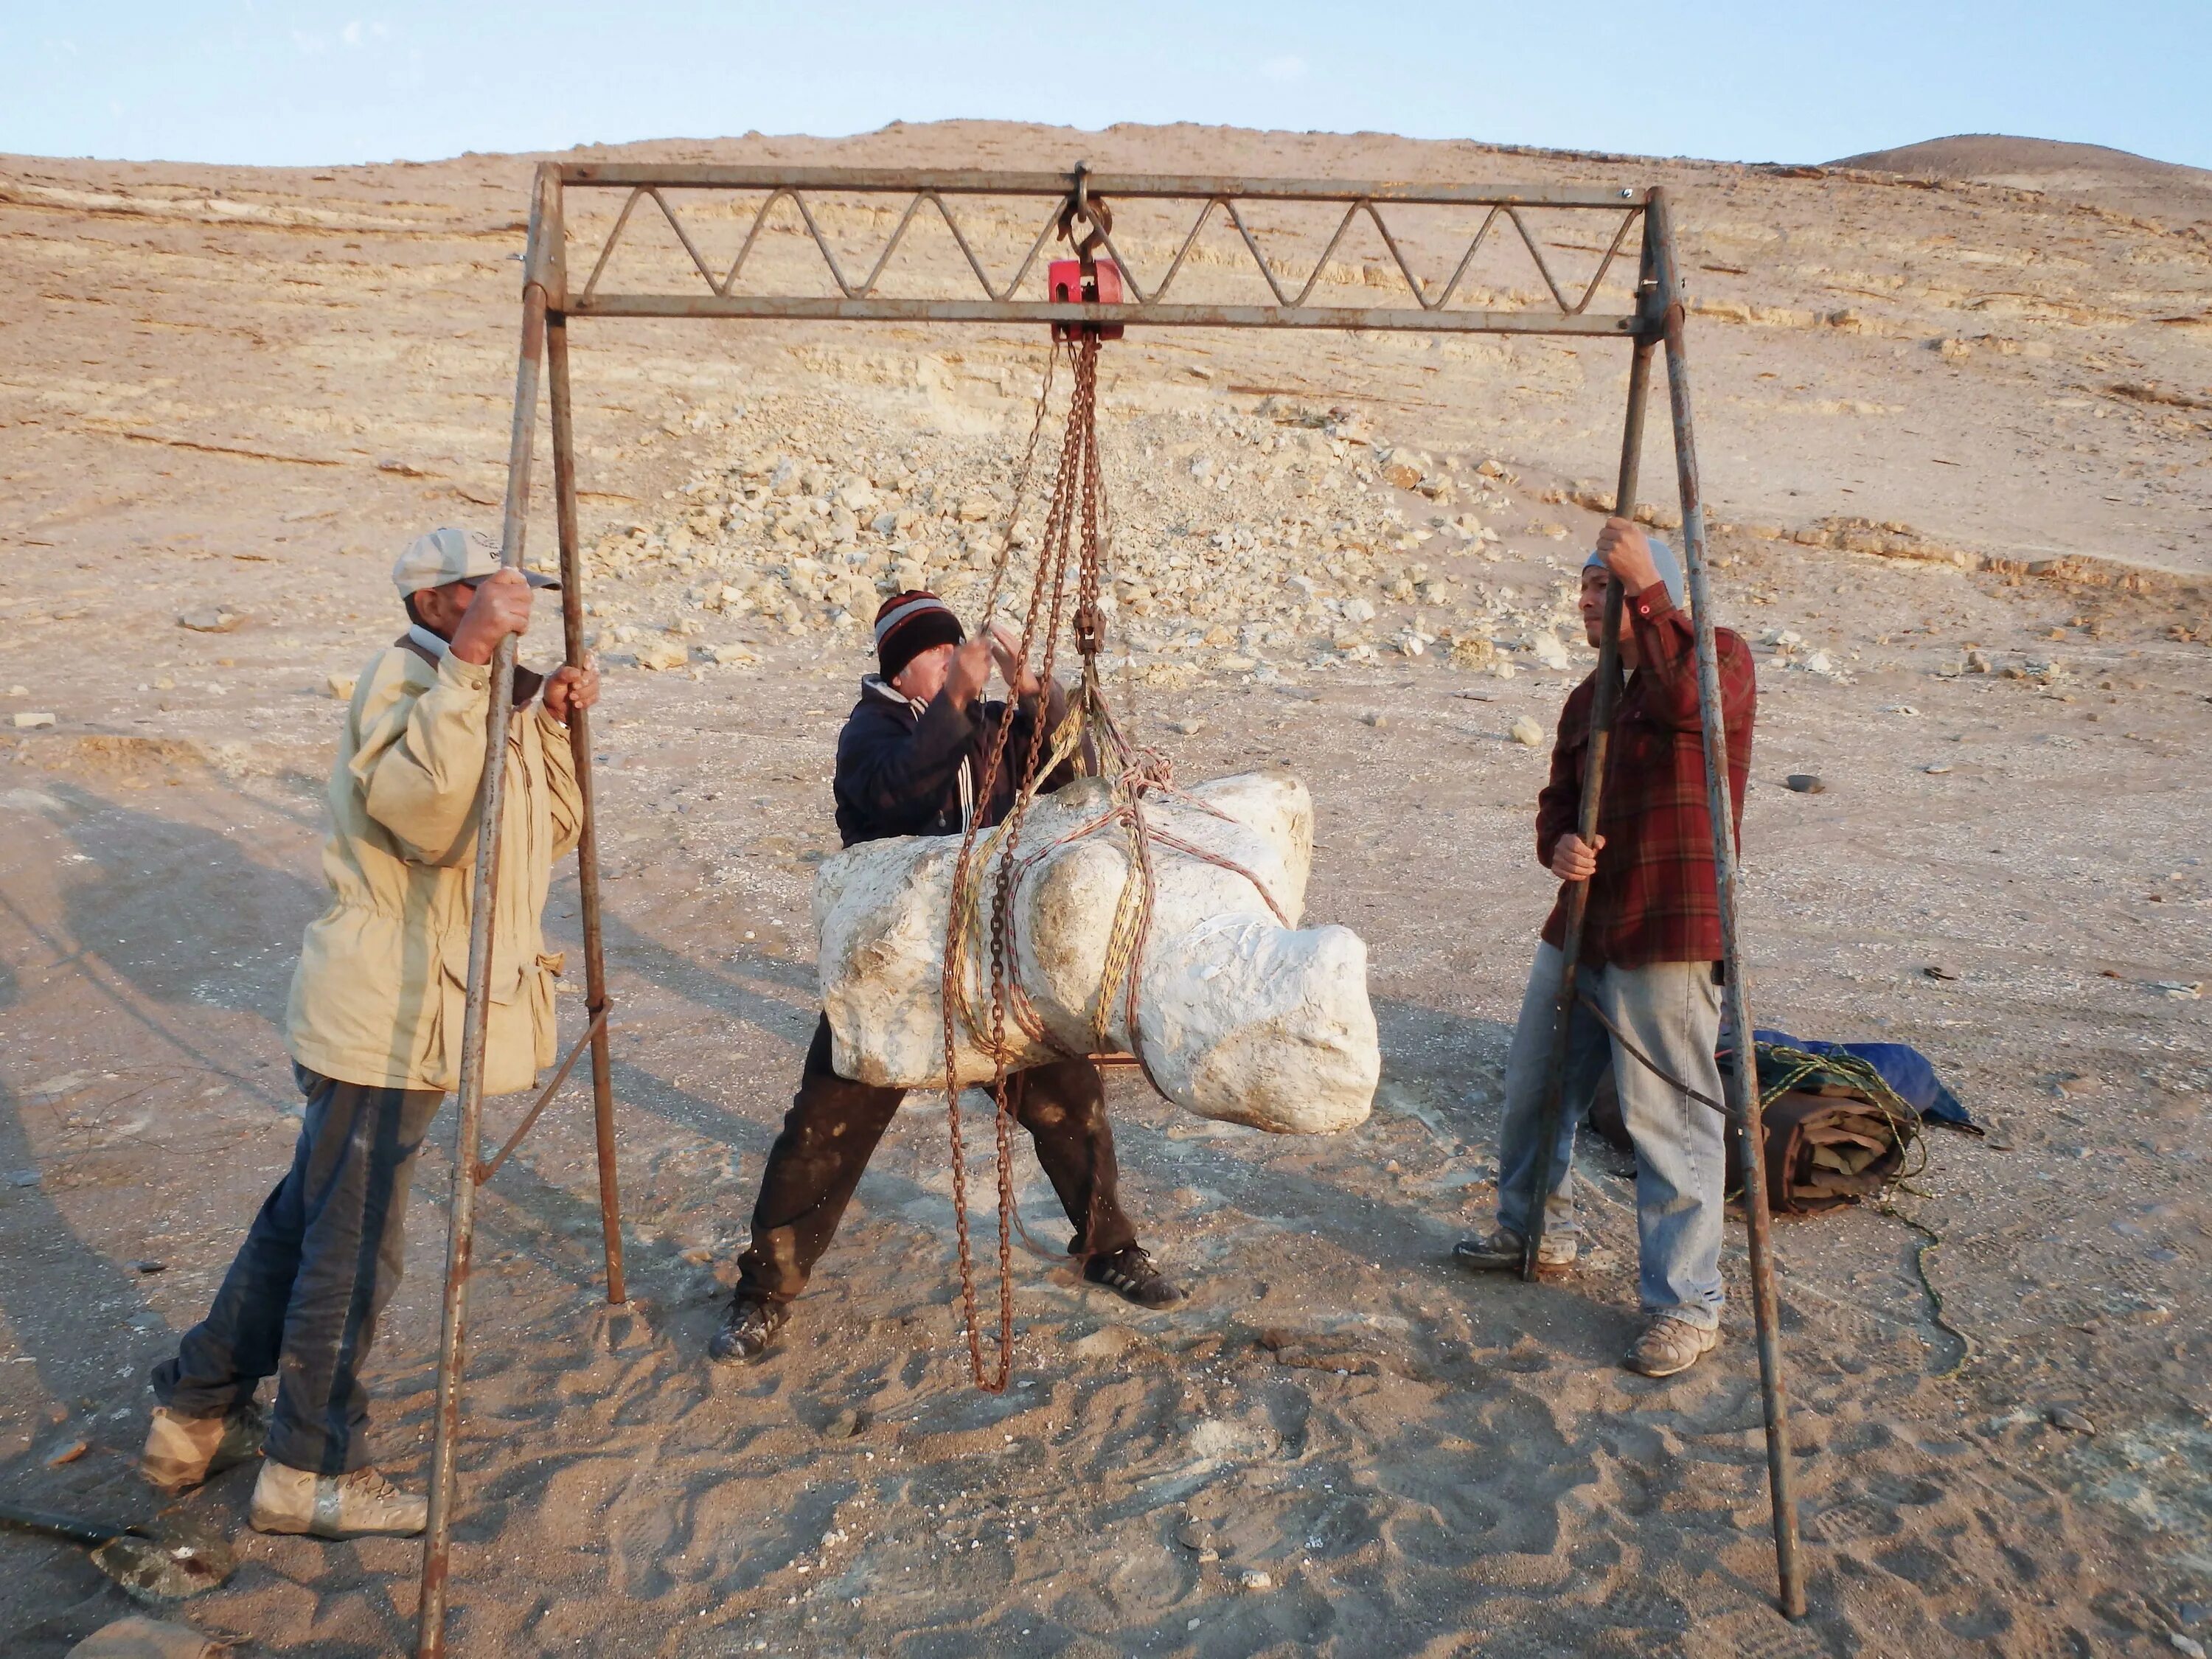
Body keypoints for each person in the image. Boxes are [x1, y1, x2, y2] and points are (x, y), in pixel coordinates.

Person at [142, 527, 598, 1536]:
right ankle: (307, 1471)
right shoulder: (412, 683)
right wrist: (477, 663)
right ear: (441, 602)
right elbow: (431, 819)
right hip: (388, 1009)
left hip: (420, 1003)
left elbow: (538, 840)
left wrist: (555, 727)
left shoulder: (484, 700)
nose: (524, 612)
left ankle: (192, 1410)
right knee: (351, 1249)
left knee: (308, 1220)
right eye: (498, 596)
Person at [709, 591, 1186, 1364]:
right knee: (823, 1131)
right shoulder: (873, 732)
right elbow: (894, 793)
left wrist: (1037, 695)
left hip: (990, 964)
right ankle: (764, 1291)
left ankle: (1109, 1248)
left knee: (1070, 1104)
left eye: (956, 652)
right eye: (940, 654)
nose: (958, 660)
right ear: (906, 666)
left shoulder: (988, 721)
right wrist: (958, 699)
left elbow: (1075, 779)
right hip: (895, 969)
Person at [1453, 518, 1756, 1379]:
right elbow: (1555, 799)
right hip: (1582, 924)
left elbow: (1686, 704)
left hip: (1668, 926)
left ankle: (1685, 1306)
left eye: (1601, 584)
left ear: (1643, 587)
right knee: (1536, 1088)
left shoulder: (1719, 657)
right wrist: (1556, 847)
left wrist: (1647, 587)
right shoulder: (1588, 697)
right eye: (1582, 587)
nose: (1586, 600)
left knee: (1671, 1121)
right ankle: (1532, 1235)